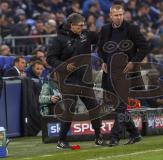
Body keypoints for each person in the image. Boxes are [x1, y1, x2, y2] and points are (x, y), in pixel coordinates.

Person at [47, 13, 103, 149]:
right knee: (69, 110)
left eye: (83, 25)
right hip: (68, 80)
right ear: (71, 25)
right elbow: (50, 58)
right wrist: (64, 65)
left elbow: (102, 38)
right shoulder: (59, 40)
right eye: (79, 26)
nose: (82, 28)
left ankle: (99, 137)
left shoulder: (86, 35)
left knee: (94, 107)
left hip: (85, 79)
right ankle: (61, 140)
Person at [98, 1, 148, 146]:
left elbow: (144, 48)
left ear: (124, 14)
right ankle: (135, 134)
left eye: (121, 15)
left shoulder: (132, 29)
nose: (119, 17)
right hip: (110, 73)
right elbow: (100, 48)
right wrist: (103, 60)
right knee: (119, 106)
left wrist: (133, 62)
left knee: (120, 106)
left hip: (127, 72)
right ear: (110, 15)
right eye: (116, 15)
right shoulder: (105, 29)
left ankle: (114, 138)